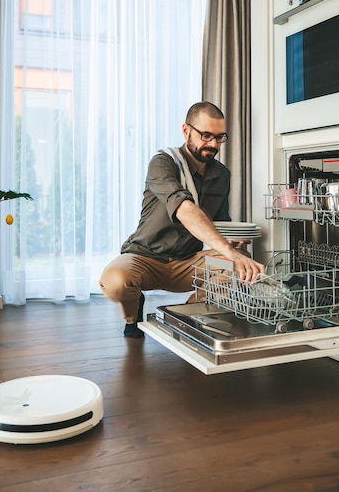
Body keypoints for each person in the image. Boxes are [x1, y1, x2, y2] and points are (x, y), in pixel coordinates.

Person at [99, 101, 266, 337]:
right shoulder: (163, 163)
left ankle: (186, 316)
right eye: (206, 135)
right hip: (145, 257)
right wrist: (229, 252)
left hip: (188, 261)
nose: (213, 144)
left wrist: (232, 244)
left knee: (241, 264)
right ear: (186, 130)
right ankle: (132, 314)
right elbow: (184, 209)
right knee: (116, 282)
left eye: (219, 137)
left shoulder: (222, 175)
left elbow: (220, 222)